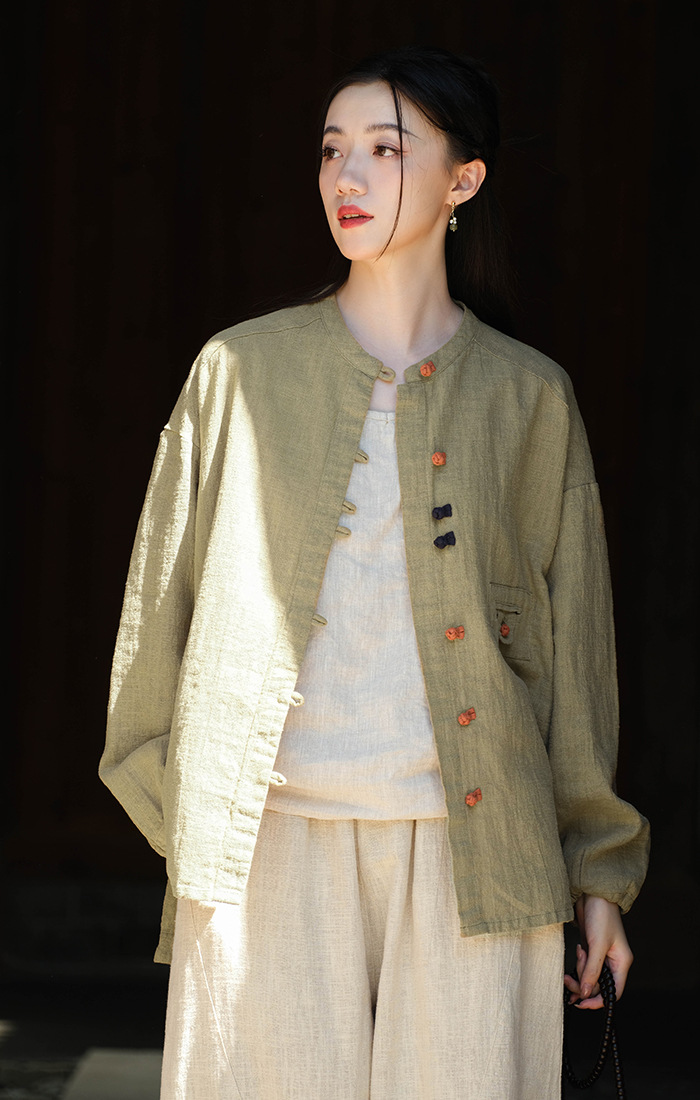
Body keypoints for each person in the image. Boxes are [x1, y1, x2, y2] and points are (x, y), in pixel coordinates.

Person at [99, 45, 650, 1100]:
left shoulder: (528, 397)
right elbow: (152, 628)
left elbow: (574, 660)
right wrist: (199, 821)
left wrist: (597, 876)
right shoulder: (238, 370)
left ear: (463, 179)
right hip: (266, 847)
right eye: (330, 150)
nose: (345, 177)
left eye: (384, 150)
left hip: (476, 851)